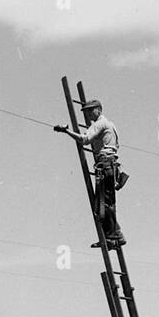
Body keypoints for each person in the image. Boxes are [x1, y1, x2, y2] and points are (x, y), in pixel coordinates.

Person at [57, 98, 127, 247]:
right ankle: (114, 235)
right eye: (86, 111)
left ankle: (114, 236)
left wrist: (66, 131)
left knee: (103, 204)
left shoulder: (100, 124)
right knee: (105, 203)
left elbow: (85, 139)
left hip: (105, 165)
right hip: (110, 165)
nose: (88, 114)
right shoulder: (110, 125)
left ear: (99, 110)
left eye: (90, 110)